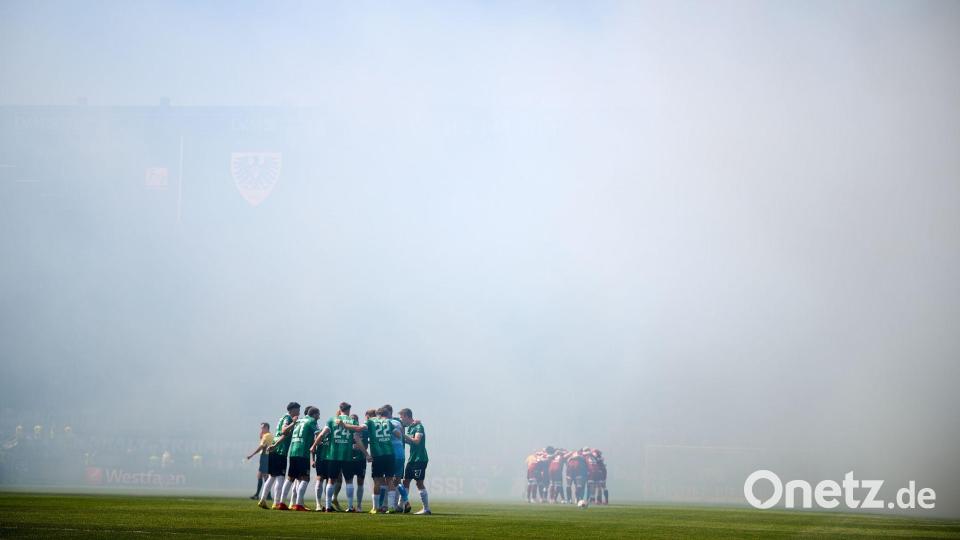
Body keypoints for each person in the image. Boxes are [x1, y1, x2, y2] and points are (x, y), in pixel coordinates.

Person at [339, 406, 400, 513]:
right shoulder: (388, 422)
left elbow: (358, 429)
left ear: (377, 414)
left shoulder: (371, 422)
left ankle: (375, 508)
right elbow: (398, 435)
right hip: (390, 454)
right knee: (390, 480)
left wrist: (344, 425)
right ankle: (391, 507)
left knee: (377, 480)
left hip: (378, 454)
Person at [271, 406, 321, 511]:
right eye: (318, 414)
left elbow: (285, 434)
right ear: (314, 414)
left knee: (290, 478)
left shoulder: (298, 421)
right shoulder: (312, 421)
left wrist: (275, 445)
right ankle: (298, 504)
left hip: (293, 452)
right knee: (305, 478)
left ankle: (281, 503)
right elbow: (318, 435)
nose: (319, 417)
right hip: (303, 453)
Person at [314, 402, 358, 512]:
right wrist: (366, 454)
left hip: (333, 455)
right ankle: (350, 506)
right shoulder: (353, 421)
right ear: (348, 410)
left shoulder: (331, 420)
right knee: (349, 481)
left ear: (340, 409)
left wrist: (313, 446)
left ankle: (328, 506)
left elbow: (322, 434)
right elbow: (357, 439)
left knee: (331, 480)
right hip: (347, 456)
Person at [257, 402, 299, 510]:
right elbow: (284, 431)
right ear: (292, 410)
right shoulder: (288, 418)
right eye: (297, 409)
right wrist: (293, 423)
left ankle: (262, 500)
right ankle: (276, 503)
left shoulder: (282, 417)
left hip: (274, 449)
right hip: (280, 450)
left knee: (271, 477)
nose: (299, 412)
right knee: (280, 477)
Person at [399, 408, 431, 515]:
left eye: (402, 417)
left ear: (407, 416)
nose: (401, 419)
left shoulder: (418, 427)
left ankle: (426, 509)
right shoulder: (411, 427)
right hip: (412, 459)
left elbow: (417, 441)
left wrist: (403, 436)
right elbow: (411, 442)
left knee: (419, 483)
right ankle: (401, 506)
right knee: (406, 482)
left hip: (420, 459)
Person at [384, 405, 409, 512]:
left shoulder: (385, 423)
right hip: (401, 454)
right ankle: (406, 501)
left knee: (388, 480)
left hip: (392, 454)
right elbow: (408, 422)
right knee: (397, 481)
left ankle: (389, 506)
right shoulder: (398, 422)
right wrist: (416, 422)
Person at [349, 411, 372, 512]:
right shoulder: (347, 430)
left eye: (355, 419)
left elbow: (366, 445)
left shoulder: (363, 431)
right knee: (348, 481)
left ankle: (359, 505)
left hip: (360, 459)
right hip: (349, 459)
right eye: (351, 419)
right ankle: (350, 506)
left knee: (360, 482)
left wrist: (357, 447)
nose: (353, 421)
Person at [245, 422, 273, 500]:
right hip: (267, 456)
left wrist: (251, 455)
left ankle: (266, 495)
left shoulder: (266, 436)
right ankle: (263, 495)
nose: (261, 429)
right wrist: (261, 437)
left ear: (266, 428)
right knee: (261, 475)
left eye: (262, 428)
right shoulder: (268, 435)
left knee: (265, 476)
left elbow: (261, 447)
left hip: (265, 456)